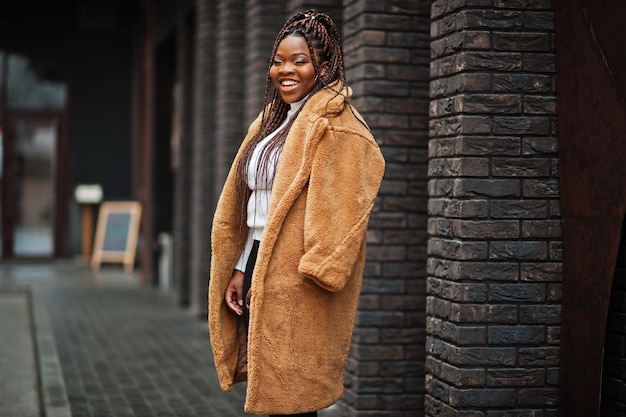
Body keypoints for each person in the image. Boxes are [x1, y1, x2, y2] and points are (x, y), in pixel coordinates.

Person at [208, 9, 385, 417]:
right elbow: (256, 206)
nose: (285, 70)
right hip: (257, 262)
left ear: (324, 66)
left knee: (294, 399)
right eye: (278, 60)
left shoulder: (337, 124)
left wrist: (307, 272)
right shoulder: (273, 120)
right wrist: (241, 267)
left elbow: (345, 208)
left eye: (299, 61)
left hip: (297, 279)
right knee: (274, 391)